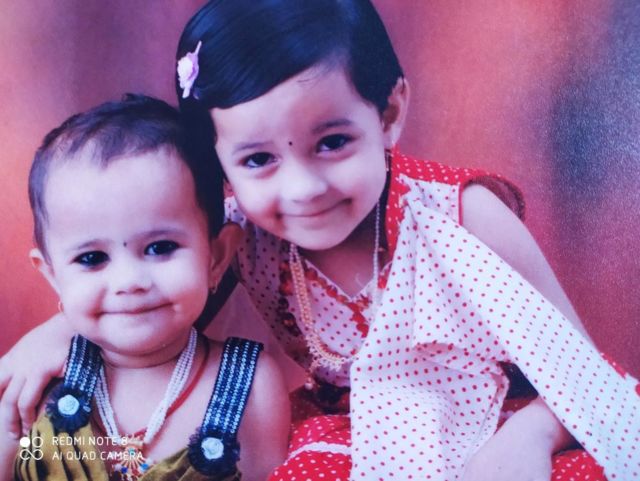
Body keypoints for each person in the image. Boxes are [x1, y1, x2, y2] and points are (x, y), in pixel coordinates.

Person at [1, 1, 639, 480]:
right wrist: (52, 334)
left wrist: (527, 438)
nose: (302, 188)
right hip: (365, 437)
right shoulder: (242, 235)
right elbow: (152, 297)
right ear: (218, 160)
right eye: (258, 160)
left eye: (332, 143)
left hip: (504, 423)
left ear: (388, 115)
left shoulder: (463, 215)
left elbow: (581, 373)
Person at [0, 94, 289, 481]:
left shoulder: (252, 385)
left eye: (160, 248)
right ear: (53, 275)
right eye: (92, 258)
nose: (129, 282)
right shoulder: (37, 382)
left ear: (217, 256)